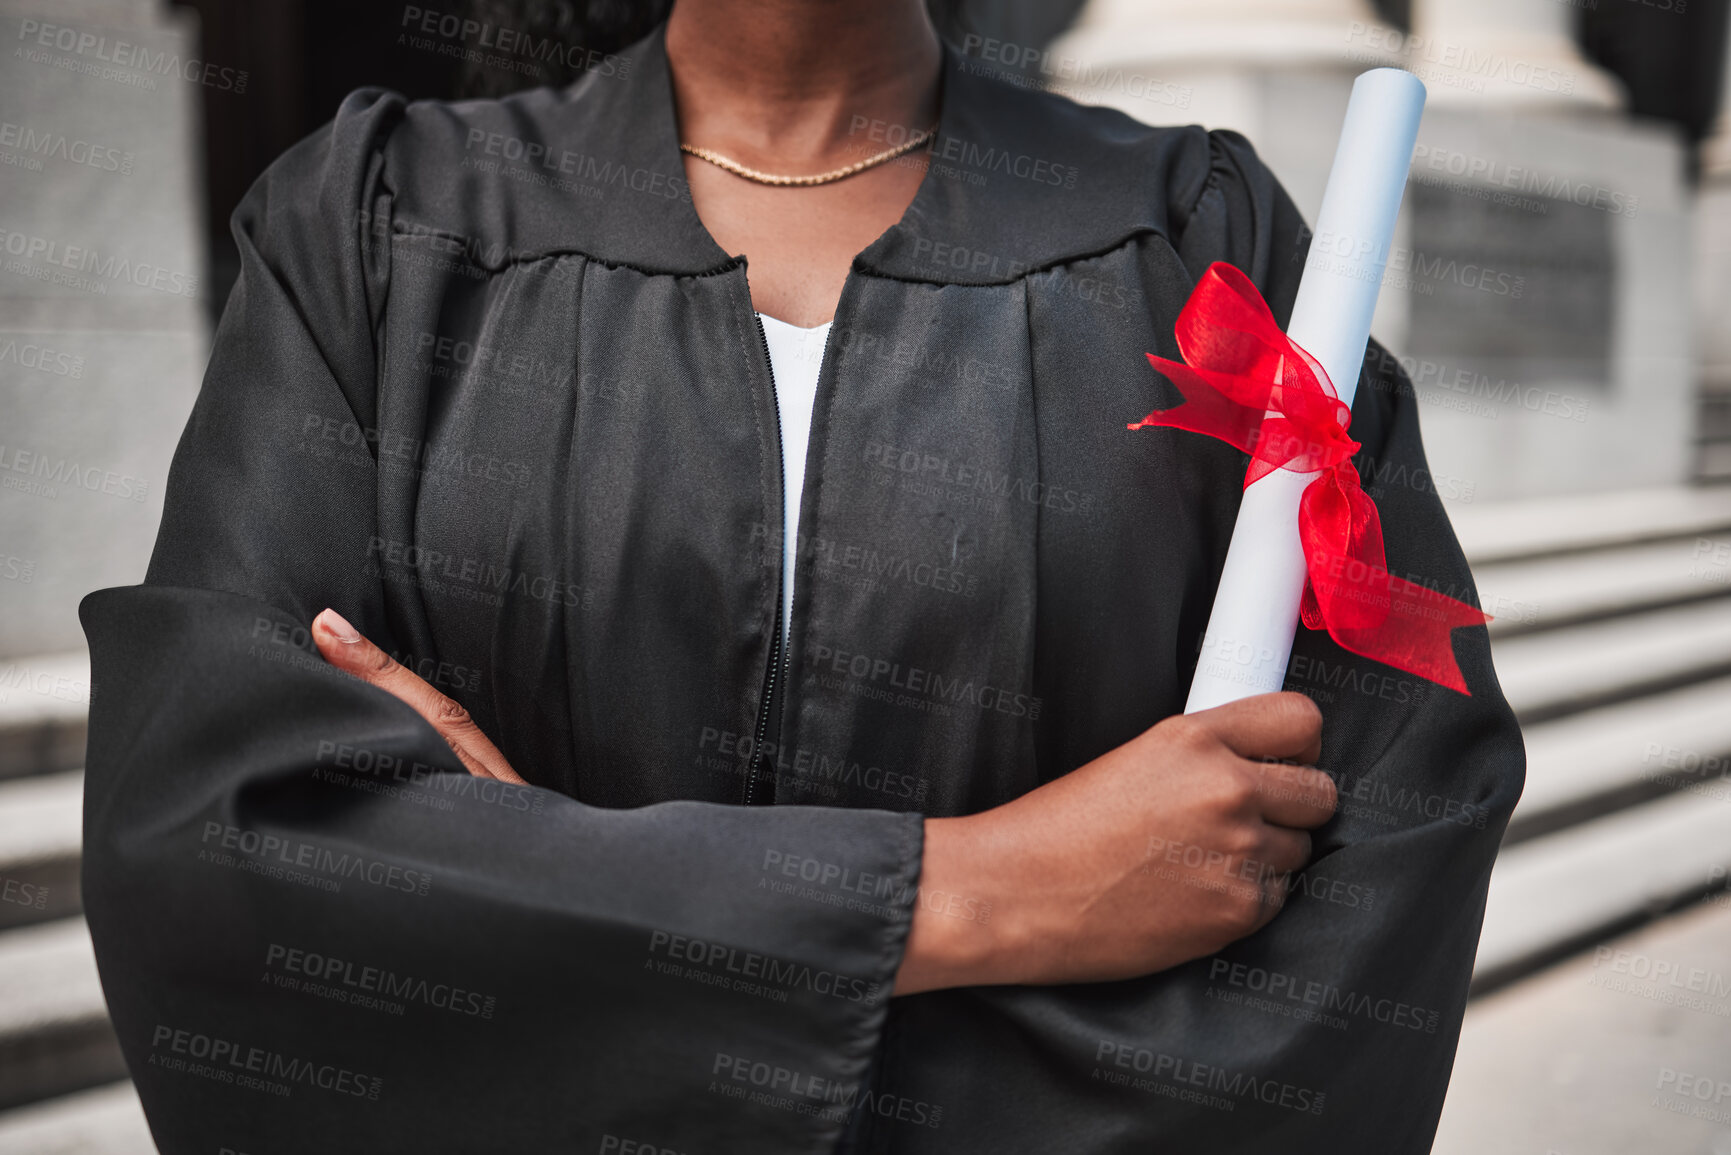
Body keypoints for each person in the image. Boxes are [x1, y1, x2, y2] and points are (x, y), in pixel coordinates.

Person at [79, 0, 1525, 1151]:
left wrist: (554, 914)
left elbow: (1393, 838)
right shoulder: (378, 232)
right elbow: (222, 846)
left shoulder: (1198, 243)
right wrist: (982, 895)